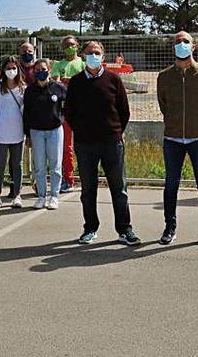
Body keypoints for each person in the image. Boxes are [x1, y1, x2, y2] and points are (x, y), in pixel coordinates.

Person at [65, 40, 140, 246]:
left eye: (96, 52)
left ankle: (125, 230)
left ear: (103, 56)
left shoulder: (114, 79)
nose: (93, 55)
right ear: (83, 56)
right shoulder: (76, 82)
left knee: (119, 188)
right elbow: (69, 113)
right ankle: (90, 228)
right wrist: (82, 131)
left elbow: (124, 111)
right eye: (89, 52)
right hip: (85, 144)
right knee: (88, 189)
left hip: (111, 143)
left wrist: (115, 132)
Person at [156, 32, 198, 248]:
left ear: (193, 47)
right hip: (173, 139)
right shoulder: (164, 76)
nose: (181, 45)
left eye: (186, 42)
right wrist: (175, 122)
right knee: (171, 185)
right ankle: (169, 227)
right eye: (177, 42)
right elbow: (163, 104)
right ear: (172, 47)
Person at [24, 58, 67, 210]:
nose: (40, 72)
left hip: (55, 131)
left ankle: (54, 195)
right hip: (36, 132)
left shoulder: (59, 88)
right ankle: (41, 196)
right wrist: (27, 134)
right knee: (40, 166)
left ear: (49, 70)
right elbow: (26, 114)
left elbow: (67, 106)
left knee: (55, 165)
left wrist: (60, 118)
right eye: (37, 71)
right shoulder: (30, 90)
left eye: (43, 69)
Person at [0, 56, 26, 208]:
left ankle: (17, 194)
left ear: (18, 70)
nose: (11, 71)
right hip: (1, 133)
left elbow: (26, 111)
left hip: (18, 133)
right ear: (3, 71)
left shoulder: (24, 89)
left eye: (13, 68)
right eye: (8, 68)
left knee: (17, 164)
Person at [51, 35, 85, 194]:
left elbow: (86, 82)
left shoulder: (83, 64)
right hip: (64, 111)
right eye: (65, 46)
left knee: (86, 146)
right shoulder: (58, 64)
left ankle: (86, 177)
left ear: (77, 45)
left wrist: (69, 80)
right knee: (66, 148)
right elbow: (56, 83)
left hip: (83, 111)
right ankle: (68, 179)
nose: (68, 48)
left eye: (71, 45)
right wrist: (72, 81)